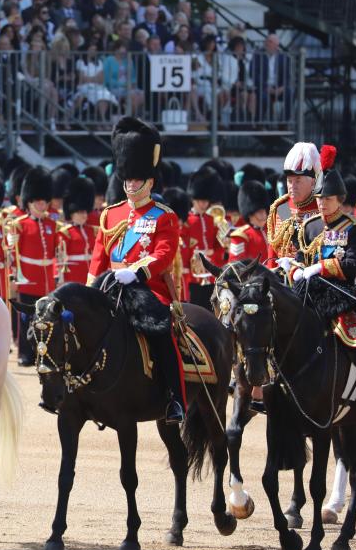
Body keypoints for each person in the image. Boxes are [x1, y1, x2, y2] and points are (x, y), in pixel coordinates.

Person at [88, 116, 185, 424]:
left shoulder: (163, 216)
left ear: (150, 181)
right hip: (110, 286)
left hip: (147, 288)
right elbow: (98, 256)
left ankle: (174, 398)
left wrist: (138, 273)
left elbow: (164, 255)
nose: (131, 183)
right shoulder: (111, 214)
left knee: (161, 333)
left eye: (137, 178)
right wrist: (89, 290)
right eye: (127, 178)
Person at [290, 150, 356, 417]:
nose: (321, 204)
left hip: (344, 291)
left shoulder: (352, 227)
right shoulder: (308, 226)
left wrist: (319, 267)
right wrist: (294, 268)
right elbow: (301, 256)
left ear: (340, 200)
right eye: (319, 198)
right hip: (310, 290)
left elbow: (352, 264)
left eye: (327, 199)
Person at [10, 166, 57, 367]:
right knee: (26, 318)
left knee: (46, 320)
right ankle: (25, 354)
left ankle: (44, 354)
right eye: (38, 200)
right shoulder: (19, 224)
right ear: (29, 201)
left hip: (46, 278)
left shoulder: (52, 224)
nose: (42, 203)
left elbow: (55, 252)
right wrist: (14, 275)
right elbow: (14, 254)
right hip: (28, 277)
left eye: (45, 200)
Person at [267, 142, 323, 268]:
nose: (292, 186)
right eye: (289, 181)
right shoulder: (282, 207)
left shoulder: (321, 207)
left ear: (313, 182)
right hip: (282, 278)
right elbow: (273, 248)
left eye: (298, 180)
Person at [186, 165, 223, 307]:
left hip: (210, 272)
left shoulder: (210, 219)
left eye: (205, 201)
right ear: (193, 199)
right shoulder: (187, 221)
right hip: (194, 276)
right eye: (200, 200)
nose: (204, 204)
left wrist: (215, 253)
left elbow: (217, 244)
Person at [56, 176, 96, 285]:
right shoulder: (65, 232)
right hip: (73, 275)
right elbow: (60, 258)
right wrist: (60, 279)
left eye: (85, 212)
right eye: (79, 212)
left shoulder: (93, 231)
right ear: (72, 214)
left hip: (91, 273)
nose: (84, 215)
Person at [228, 180, 269, 262]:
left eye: (264, 210)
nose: (264, 214)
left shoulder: (271, 230)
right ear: (250, 214)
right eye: (259, 211)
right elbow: (236, 267)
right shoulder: (241, 236)